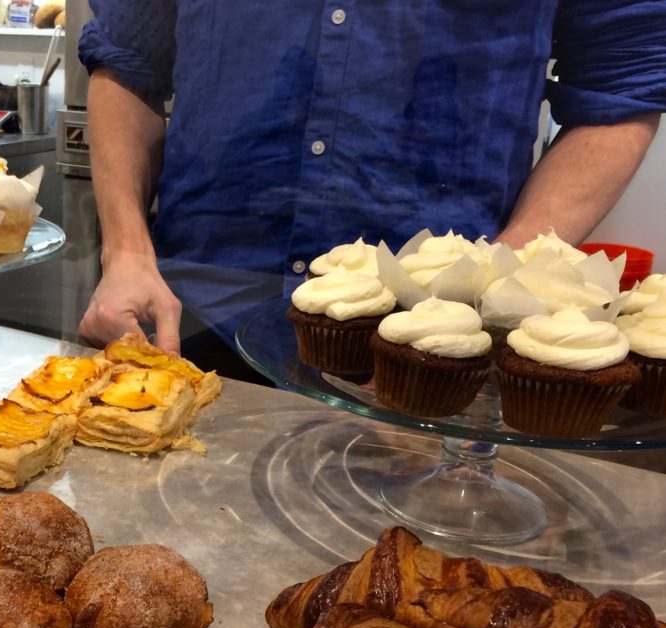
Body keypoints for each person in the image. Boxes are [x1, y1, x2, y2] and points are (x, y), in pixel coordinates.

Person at [76, 0, 666, 378]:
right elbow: (128, 65)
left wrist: (505, 284)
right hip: (191, 321)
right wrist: (126, 251)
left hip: (430, 341)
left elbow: (620, 91)